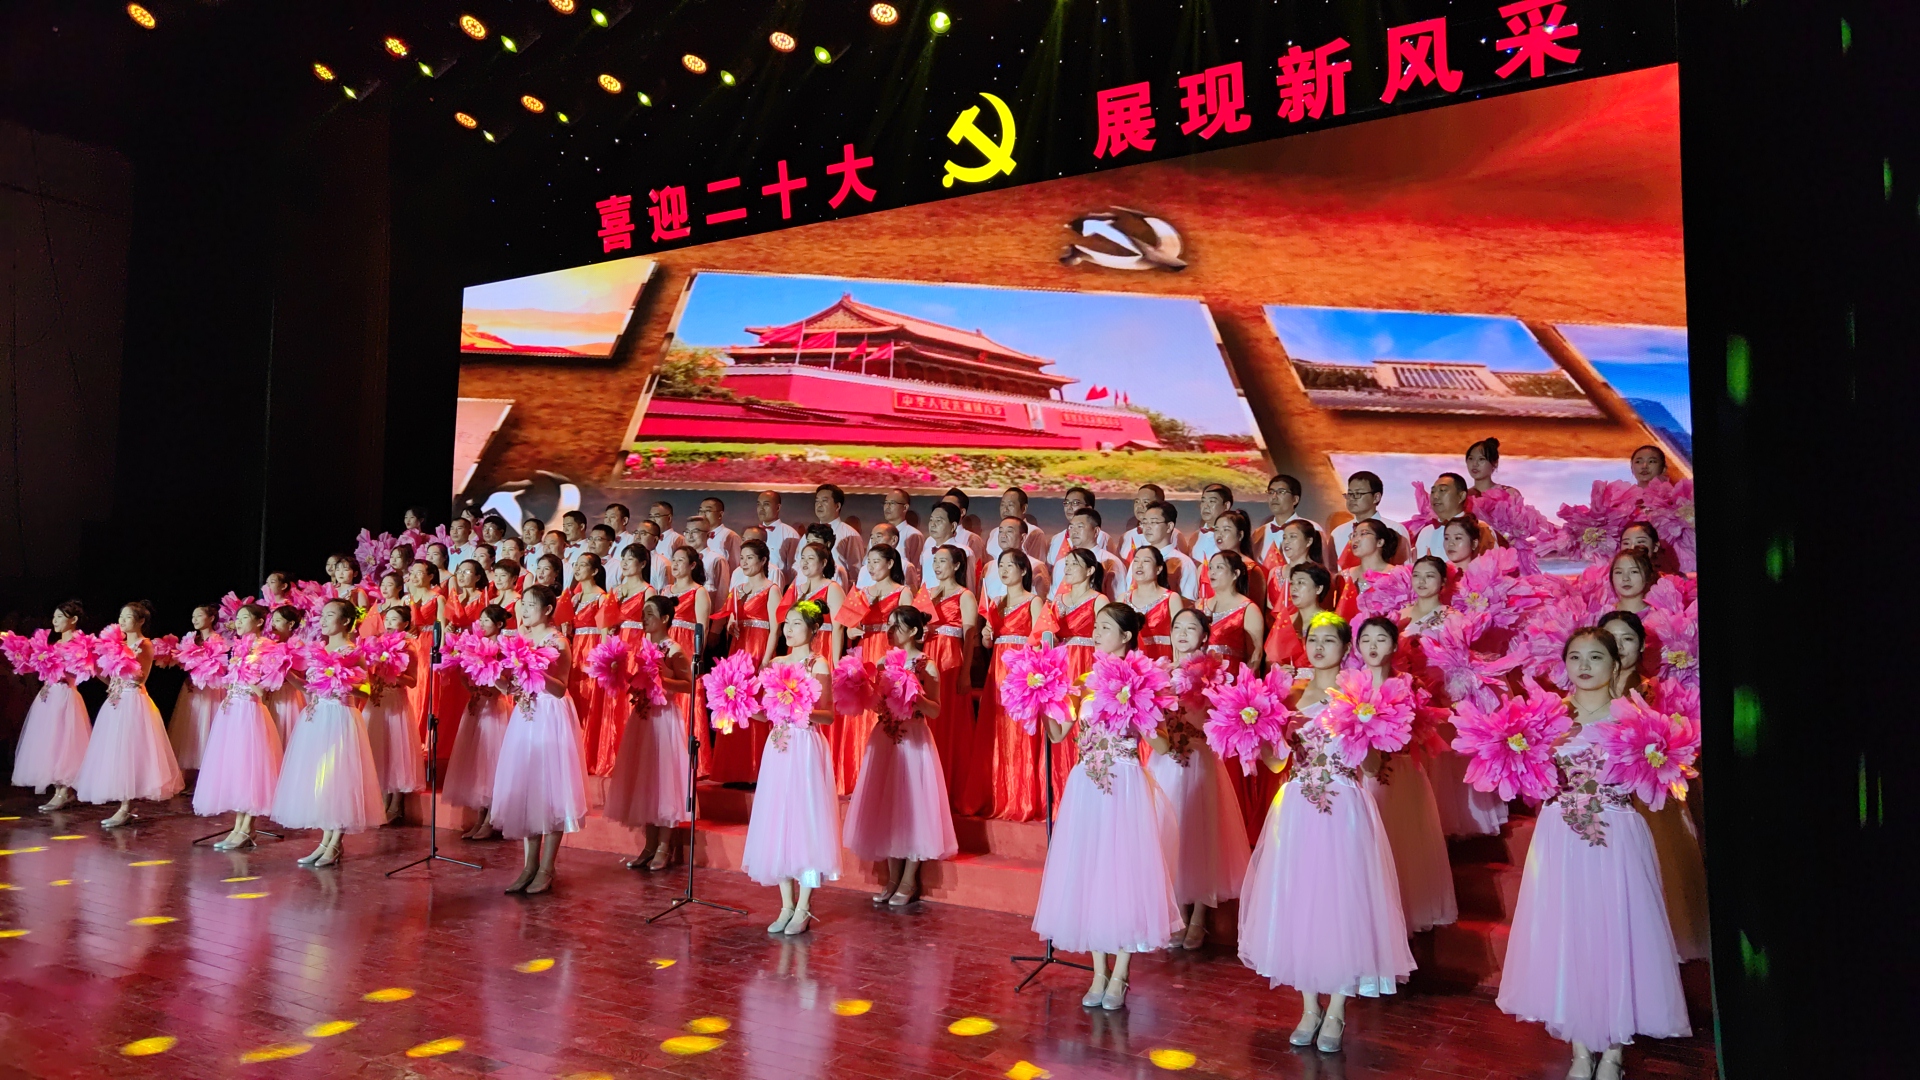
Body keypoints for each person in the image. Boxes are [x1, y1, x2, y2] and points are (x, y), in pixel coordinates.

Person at [1496, 628, 1691, 1080]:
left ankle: (1616, 1051)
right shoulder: (1547, 718)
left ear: (1616, 664)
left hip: (1616, 834)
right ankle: (1581, 1050)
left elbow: (1660, 781)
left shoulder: (1636, 719)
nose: (1584, 666)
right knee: (1569, 933)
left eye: (1596, 657)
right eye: (1575, 657)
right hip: (1559, 836)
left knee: (1616, 932)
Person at [1239, 612, 1415, 1055]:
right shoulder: (1290, 695)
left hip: (1343, 808)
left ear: (1345, 648)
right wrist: (1255, 732)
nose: (1318, 648)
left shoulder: (1358, 694)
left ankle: (1336, 1009)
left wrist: (1365, 724)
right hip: (1296, 806)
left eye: (1328, 641)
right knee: (1300, 900)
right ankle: (1308, 1007)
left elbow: (1373, 766)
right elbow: (1277, 763)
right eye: (1312, 640)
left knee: (1342, 902)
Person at [1030, 603, 1182, 1011]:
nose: (1096, 633)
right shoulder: (1084, 681)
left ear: (1127, 636)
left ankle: (1121, 974)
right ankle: (1099, 972)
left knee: (1123, 873)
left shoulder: (1144, 680)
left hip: (1124, 784)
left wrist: (1140, 711)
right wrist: (1040, 702)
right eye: (1095, 627)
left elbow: (1162, 744)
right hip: (1086, 784)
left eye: (1105, 627)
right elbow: (1059, 734)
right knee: (1090, 871)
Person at [1602, 610, 1710, 964]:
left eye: (1628, 639)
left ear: (1641, 646)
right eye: (1611, 639)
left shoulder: (1656, 692)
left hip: (1647, 799)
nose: (1619, 646)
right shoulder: (1586, 693)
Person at [1149, 608, 1253, 950]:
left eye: (1190, 628)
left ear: (1205, 636)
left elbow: (1224, 717)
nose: (1182, 633)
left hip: (1197, 760)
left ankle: (1199, 917)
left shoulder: (1214, 676)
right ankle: (1178, 912)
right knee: (1170, 832)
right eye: (1177, 627)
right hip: (1165, 761)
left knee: (1200, 834)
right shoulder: (1158, 673)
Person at [844, 605, 959, 904]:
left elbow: (935, 710)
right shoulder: (883, 662)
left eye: (897, 625)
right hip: (885, 737)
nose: (890, 631)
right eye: (889, 624)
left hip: (913, 740)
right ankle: (892, 878)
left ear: (914, 631)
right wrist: (860, 688)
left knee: (913, 808)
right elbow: (877, 704)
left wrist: (917, 697)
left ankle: (909, 879)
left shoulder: (926, 666)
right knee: (889, 807)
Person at [741, 602, 842, 934]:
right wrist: (742, 703)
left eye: (796, 623)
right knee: (778, 821)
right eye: (786, 623)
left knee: (805, 822)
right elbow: (766, 713)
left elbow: (827, 715)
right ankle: (786, 904)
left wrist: (799, 708)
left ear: (813, 630)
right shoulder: (776, 663)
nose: (788, 629)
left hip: (805, 746)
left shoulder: (818, 664)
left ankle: (804, 907)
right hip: (778, 747)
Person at [1353, 617, 1458, 934]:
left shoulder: (1409, 685)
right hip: (1360, 777)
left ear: (1394, 645)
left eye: (1381, 639)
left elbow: (1421, 734)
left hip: (1400, 773)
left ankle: (1403, 921)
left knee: (1403, 847)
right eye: (1366, 639)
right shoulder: (1349, 687)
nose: (1373, 646)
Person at [491, 586, 592, 895]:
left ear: (548, 610)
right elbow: (512, 687)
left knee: (552, 789)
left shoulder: (558, 641)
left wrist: (534, 669)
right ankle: (528, 866)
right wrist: (493, 673)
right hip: (526, 716)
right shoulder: (519, 640)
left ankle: (547, 867)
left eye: (531, 605)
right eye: (523, 605)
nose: (524, 611)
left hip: (550, 714)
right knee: (528, 788)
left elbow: (560, 688)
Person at [271, 599, 384, 867]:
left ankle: (335, 844)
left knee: (337, 778)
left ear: (345, 621)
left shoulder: (353, 652)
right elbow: (309, 688)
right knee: (320, 780)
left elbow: (366, 691)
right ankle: (325, 842)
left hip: (340, 717)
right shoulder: (317, 650)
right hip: (317, 717)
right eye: (322, 615)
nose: (323, 620)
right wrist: (287, 674)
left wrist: (342, 683)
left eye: (330, 615)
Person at [604, 595, 695, 871]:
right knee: (645, 780)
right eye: (643, 613)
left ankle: (664, 846)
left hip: (663, 718)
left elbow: (689, 685)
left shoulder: (673, 649)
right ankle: (649, 844)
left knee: (663, 781)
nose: (644, 619)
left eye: (650, 614)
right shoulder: (642, 646)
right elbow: (638, 682)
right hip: (642, 716)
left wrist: (661, 678)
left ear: (665, 619)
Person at [73, 601, 184, 828]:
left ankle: (125, 807)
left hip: (133, 700)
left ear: (141, 621)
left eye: (128, 617)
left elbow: (139, 677)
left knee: (129, 752)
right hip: (115, 700)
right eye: (121, 616)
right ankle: (123, 804)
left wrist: (121, 658)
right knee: (114, 751)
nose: (122, 621)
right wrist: (95, 666)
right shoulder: (118, 645)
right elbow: (111, 679)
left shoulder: (144, 644)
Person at [193, 608, 286, 849]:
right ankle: (238, 826)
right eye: (238, 618)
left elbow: (265, 689)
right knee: (235, 767)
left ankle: (248, 827)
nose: (239, 621)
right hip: (232, 710)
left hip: (250, 710)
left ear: (259, 621)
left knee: (249, 767)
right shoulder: (239, 646)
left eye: (245, 617)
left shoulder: (268, 647)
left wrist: (246, 673)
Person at [832, 543, 912, 795]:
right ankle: (857, 774)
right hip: (866, 652)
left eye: (876, 561)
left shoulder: (903, 592)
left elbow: (909, 631)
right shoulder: (861, 593)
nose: (871, 567)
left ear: (890, 563)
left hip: (889, 653)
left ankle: (885, 778)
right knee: (862, 708)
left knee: (885, 708)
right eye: (869, 562)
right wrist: (852, 631)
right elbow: (846, 628)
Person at [980, 550, 1048, 821]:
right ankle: (998, 794)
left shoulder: (1034, 601)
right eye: (1001, 565)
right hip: (997, 670)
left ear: (1024, 570)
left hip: (1021, 671)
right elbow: (988, 643)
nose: (1004, 570)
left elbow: (1040, 640)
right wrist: (987, 636)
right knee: (997, 730)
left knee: (1020, 731)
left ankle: (1022, 797)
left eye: (1010, 565)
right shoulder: (995, 602)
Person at [12, 600, 95, 811]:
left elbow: (81, 670)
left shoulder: (80, 643)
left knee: (64, 742)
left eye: (59, 617)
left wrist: (60, 671)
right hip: (49, 696)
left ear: (73, 619)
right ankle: (59, 790)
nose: (54, 621)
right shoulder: (55, 645)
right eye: (54, 617)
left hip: (66, 695)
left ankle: (64, 791)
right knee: (50, 742)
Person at [914, 543, 978, 809]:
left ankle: (949, 786)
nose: (937, 566)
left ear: (957, 565)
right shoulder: (927, 593)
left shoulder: (965, 595)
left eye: (943, 561)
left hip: (950, 659)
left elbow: (970, 636)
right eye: (935, 562)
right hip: (926, 656)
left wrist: (966, 673)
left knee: (948, 720)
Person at [709, 539, 778, 784]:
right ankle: (733, 770)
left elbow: (775, 628)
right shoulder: (737, 589)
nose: (745, 562)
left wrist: (767, 659)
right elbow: (731, 619)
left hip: (758, 649)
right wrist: (730, 626)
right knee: (733, 701)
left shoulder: (771, 589)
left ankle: (754, 771)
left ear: (763, 560)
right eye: (743, 557)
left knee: (754, 702)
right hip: (738, 650)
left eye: (750, 558)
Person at [443, 604, 514, 841]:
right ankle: (480, 818)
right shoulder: (474, 645)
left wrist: (485, 688)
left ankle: (491, 820)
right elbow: (466, 675)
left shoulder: (503, 648)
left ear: (499, 625)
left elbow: (504, 684)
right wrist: (471, 687)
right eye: (480, 620)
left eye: (486, 621)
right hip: (476, 705)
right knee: (477, 765)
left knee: (491, 765)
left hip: (494, 707)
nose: (481, 625)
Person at [365, 606, 424, 823]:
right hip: (377, 699)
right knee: (378, 748)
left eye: (394, 619)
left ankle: (396, 804)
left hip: (396, 699)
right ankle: (381, 800)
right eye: (387, 618)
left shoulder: (409, 647)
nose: (388, 623)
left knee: (396, 749)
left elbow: (413, 681)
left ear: (406, 624)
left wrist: (394, 673)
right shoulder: (376, 644)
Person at [665, 546, 715, 774]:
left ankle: (688, 759)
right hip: (666, 646)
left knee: (686, 698)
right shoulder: (665, 590)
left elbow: (702, 628)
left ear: (692, 565)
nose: (675, 565)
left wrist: (697, 657)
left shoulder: (699, 592)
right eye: (673, 560)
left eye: (680, 560)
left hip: (685, 648)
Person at [165, 603, 224, 780]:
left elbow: (220, 667)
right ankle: (190, 776)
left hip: (210, 689)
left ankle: (207, 776)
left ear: (211, 618)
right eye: (193, 616)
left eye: (199, 615)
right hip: (193, 689)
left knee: (207, 722)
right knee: (192, 726)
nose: (195, 619)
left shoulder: (218, 641)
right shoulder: (191, 640)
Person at [1328, 472, 1412, 569]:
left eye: (1358, 494)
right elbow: (1331, 571)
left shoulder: (1396, 529)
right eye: (1350, 494)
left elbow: (1405, 570)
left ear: (1376, 497)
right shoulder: (1337, 533)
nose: (1352, 499)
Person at [1265, 561, 1334, 675]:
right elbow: (1270, 660)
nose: (1294, 588)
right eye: (1292, 583)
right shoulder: (1285, 622)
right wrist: (1279, 670)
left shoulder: (1331, 623)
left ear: (1318, 588)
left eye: (1300, 582)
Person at [1201, 552, 1265, 669]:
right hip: (1201, 675)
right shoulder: (1200, 606)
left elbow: (1255, 655)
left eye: (1219, 567)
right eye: (1210, 568)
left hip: (1232, 676)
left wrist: (1245, 679)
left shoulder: (1248, 609)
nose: (1212, 572)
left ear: (1236, 574)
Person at [1334, 519, 1403, 621]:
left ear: (1380, 542)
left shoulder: (1397, 575)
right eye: (1354, 535)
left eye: (1363, 534)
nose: (1356, 539)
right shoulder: (1343, 576)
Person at [1124, 545, 1183, 662]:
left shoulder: (1171, 598)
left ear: (1159, 569)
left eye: (1146, 561)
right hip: (1130, 664)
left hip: (1162, 662)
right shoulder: (1123, 599)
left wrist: (1177, 664)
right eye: (1136, 561)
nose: (1139, 565)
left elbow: (1180, 635)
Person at [1415, 474, 1496, 559]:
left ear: (1461, 496)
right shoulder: (1425, 532)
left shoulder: (1480, 528)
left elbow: (1491, 564)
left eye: (1442, 490)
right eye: (1433, 491)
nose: (1435, 496)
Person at [1262, 518, 1327, 617]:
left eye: (1293, 537)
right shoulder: (1274, 572)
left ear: (1309, 541)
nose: (1286, 542)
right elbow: (1269, 610)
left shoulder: (1318, 573)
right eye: (1284, 537)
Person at [265, 607, 311, 746]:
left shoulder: (298, 646)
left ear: (290, 624)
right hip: (272, 695)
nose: (273, 624)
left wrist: (283, 669)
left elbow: (301, 677)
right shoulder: (270, 645)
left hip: (288, 696)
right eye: (273, 621)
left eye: (278, 620)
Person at [1054, 507, 1124, 599]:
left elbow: (1118, 599)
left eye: (1080, 526)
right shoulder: (1061, 563)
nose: (1074, 531)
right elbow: (1053, 597)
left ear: (1096, 531)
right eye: (1071, 527)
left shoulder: (1111, 562)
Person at [1256, 474, 1326, 567]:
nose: (1274, 497)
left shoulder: (1313, 528)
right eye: (1271, 492)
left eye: (1281, 492)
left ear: (1295, 499)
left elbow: (1325, 564)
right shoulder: (1259, 533)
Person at [1137, 500, 1199, 598]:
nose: (1147, 527)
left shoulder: (1183, 563)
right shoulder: (1138, 560)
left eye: (1153, 522)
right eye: (1144, 522)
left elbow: (1189, 601)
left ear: (1169, 526)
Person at [981, 517, 1051, 603]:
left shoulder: (1036, 566)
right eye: (1001, 531)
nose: (1003, 535)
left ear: (1023, 537)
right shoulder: (989, 566)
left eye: (1009, 531)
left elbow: (1043, 601)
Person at [1118, 484, 1182, 561]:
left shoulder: (1174, 535)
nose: (1139, 506)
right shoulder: (1126, 536)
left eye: (1145, 502)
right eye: (1137, 501)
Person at [1047, 487, 1112, 562]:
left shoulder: (1102, 537)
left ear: (1088, 508)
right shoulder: (1056, 539)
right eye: (1066, 503)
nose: (1069, 507)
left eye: (1075, 503)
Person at [812, 484, 867, 573]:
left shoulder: (850, 535)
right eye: (817, 501)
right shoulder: (809, 534)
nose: (819, 505)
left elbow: (856, 569)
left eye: (824, 501)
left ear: (837, 506)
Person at [755, 490, 803, 579]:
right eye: (758, 504)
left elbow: (795, 567)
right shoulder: (753, 532)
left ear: (778, 508)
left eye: (766, 504)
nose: (761, 508)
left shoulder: (790, 534)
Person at [879, 488, 925, 564]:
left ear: (905, 507)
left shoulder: (913, 534)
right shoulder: (877, 533)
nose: (887, 507)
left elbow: (917, 566)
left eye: (892, 503)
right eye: (886, 503)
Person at [1608, 548, 1657, 614]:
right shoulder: (1604, 614)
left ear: (1647, 576)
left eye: (1634, 572)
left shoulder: (1657, 616)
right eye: (1619, 572)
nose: (1625, 578)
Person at [700, 496, 742, 567]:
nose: (703, 515)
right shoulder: (698, 535)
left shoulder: (731, 536)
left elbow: (736, 566)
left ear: (720, 514)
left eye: (708, 511)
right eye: (700, 511)